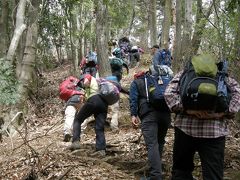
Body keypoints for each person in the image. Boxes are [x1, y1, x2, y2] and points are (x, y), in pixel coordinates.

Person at [164, 56, 240, 179]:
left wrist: (188, 110)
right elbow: (237, 94)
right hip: (214, 133)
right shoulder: (222, 76)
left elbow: (168, 93)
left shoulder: (185, 74)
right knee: (213, 174)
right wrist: (222, 113)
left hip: (185, 131)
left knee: (181, 170)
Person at [129, 70, 171, 179]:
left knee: (152, 144)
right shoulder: (159, 81)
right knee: (160, 141)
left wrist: (133, 115)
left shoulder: (136, 83)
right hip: (165, 115)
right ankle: (156, 170)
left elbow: (133, 99)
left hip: (149, 115)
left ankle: (155, 175)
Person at [68, 74, 109, 156]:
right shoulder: (100, 82)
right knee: (99, 127)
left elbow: (86, 81)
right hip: (104, 104)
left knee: (78, 120)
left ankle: (76, 142)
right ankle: (101, 150)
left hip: (94, 100)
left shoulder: (87, 76)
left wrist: (84, 85)